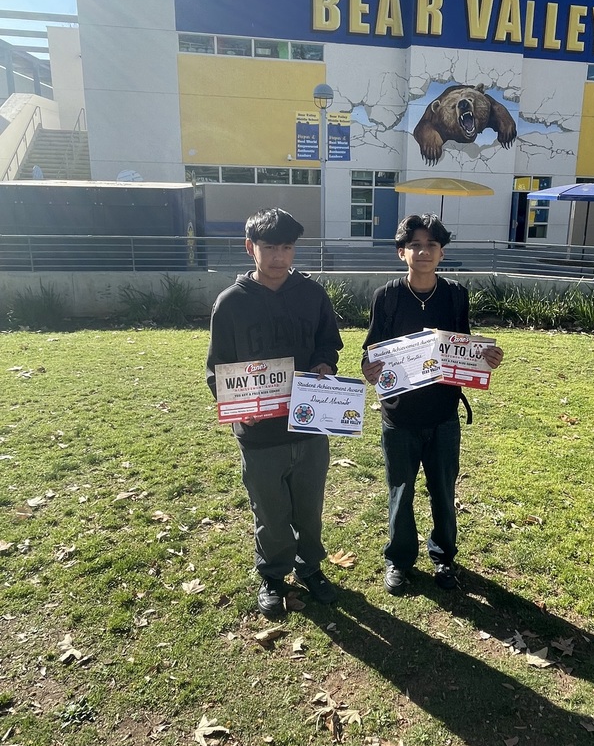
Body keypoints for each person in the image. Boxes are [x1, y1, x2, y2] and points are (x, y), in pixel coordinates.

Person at [206, 208, 343, 619]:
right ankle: (273, 575)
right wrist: (234, 407)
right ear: (251, 248)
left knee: (309, 505)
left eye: (287, 247)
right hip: (260, 432)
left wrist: (324, 365)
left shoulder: (312, 294)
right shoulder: (230, 304)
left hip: (309, 423)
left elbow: (328, 344)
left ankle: (310, 568)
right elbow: (217, 368)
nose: (279, 256)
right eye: (269, 247)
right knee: (270, 510)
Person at [361, 214, 504, 595]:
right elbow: (370, 352)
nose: (423, 252)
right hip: (399, 416)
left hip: (443, 415)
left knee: (443, 490)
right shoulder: (387, 296)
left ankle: (443, 558)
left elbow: (467, 345)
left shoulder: (456, 294)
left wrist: (486, 358)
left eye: (431, 246)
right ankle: (399, 560)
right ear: (401, 252)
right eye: (415, 245)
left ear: (442, 254)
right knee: (401, 491)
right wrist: (370, 369)